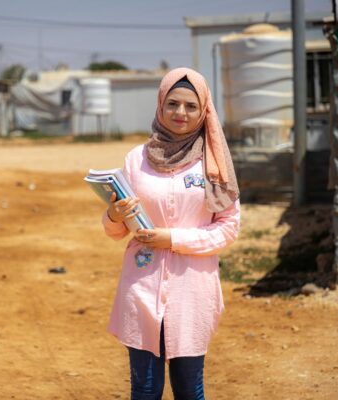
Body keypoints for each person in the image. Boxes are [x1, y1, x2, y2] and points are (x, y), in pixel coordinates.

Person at [101, 67, 240, 400]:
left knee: (189, 390)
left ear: (204, 109)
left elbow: (228, 227)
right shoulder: (137, 159)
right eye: (172, 104)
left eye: (191, 106)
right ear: (160, 106)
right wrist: (113, 215)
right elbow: (115, 231)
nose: (180, 113)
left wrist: (173, 240)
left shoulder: (214, 162)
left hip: (192, 290)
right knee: (145, 389)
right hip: (142, 287)